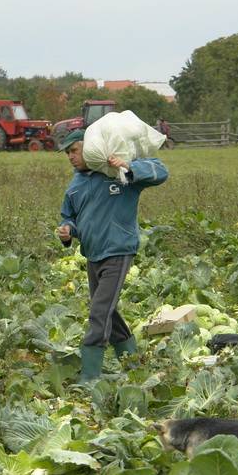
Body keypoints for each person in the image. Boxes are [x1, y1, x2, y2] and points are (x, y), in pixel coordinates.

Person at [56, 129, 169, 383]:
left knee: (99, 311)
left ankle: (89, 376)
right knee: (108, 311)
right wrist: (67, 231)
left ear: (90, 147)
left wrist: (128, 166)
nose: (70, 157)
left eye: (74, 150)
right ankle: (134, 366)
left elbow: (161, 171)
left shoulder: (117, 175)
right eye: (67, 153)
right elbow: (69, 217)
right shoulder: (75, 185)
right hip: (93, 254)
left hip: (118, 250)